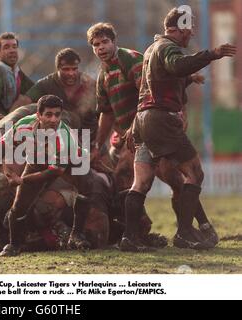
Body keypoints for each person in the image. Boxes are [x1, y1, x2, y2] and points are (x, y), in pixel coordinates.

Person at [87, 22, 218, 251]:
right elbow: (107, 114)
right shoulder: (103, 75)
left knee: (167, 179)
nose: (101, 48)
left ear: (114, 41)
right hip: (136, 134)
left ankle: (189, 229)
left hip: (147, 129)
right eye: (96, 45)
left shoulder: (131, 59)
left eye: (105, 42)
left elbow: (149, 91)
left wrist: (181, 108)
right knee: (144, 180)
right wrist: (98, 144)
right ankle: (141, 233)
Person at [127, 7, 236, 250]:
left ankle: (129, 237)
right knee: (195, 173)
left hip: (143, 120)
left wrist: (189, 79)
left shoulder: (151, 49)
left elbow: (164, 78)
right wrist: (212, 54)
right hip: (161, 120)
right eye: (188, 28)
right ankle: (185, 233)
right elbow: (176, 65)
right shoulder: (168, 47)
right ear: (177, 29)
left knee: (141, 182)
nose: (192, 33)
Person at [0, 95, 90, 257]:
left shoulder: (65, 138)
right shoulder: (24, 124)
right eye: (48, 114)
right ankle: (14, 245)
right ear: (38, 115)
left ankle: (77, 233)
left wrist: (21, 180)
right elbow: (4, 143)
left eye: (57, 114)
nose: (54, 119)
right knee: (20, 204)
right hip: (38, 159)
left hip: (73, 162)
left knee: (85, 188)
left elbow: (53, 172)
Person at [12, 48, 98, 139]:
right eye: (66, 69)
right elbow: (24, 100)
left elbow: (105, 112)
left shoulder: (89, 84)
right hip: (57, 134)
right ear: (58, 69)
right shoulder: (47, 83)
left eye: (74, 69)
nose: (71, 73)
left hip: (88, 134)